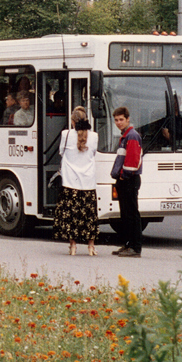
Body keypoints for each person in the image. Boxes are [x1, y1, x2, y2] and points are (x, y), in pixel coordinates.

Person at [54, 107, 99, 256]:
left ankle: (73, 246)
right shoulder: (94, 136)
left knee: (71, 215)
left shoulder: (65, 134)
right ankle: (91, 247)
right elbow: (92, 153)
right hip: (88, 182)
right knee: (89, 215)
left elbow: (61, 152)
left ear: (72, 121)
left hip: (70, 181)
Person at [110, 106, 143, 258]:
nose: (118, 123)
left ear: (128, 119)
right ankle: (128, 244)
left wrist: (124, 175)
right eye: (116, 120)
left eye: (121, 120)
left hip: (129, 179)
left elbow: (132, 160)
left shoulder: (132, 136)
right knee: (125, 213)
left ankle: (135, 247)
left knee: (131, 214)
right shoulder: (125, 136)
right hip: (125, 179)